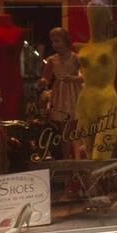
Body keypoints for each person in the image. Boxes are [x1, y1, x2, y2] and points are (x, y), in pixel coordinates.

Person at [75, 0, 117, 160]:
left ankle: (104, 182)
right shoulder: (82, 47)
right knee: (89, 154)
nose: (94, 19)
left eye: (98, 15)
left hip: (106, 97)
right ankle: (96, 186)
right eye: (91, 14)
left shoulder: (114, 44)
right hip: (85, 99)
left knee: (101, 156)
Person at [40, 27, 83, 159]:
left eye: (58, 41)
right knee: (64, 130)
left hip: (74, 92)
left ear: (65, 41)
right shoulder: (52, 60)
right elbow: (45, 78)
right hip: (59, 95)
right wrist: (42, 82)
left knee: (75, 128)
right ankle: (66, 158)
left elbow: (84, 76)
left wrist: (73, 78)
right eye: (53, 41)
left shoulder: (76, 58)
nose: (55, 44)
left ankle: (78, 157)